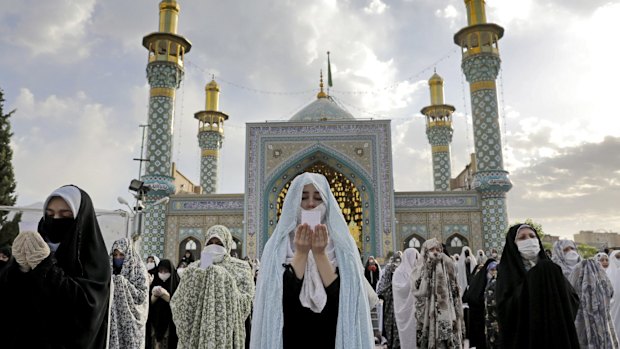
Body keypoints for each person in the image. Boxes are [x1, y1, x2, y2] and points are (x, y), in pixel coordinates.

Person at [250, 172, 374, 349]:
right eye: (303, 197)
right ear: (292, 202)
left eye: (318, 198)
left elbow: (346, 302)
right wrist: (301, 253)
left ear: (327, 202)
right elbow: (277, 303)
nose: (310, 204)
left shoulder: (343, 247)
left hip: (331, 338)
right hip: (290, 338)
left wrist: (320, 254)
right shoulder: (276, 247)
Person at [0, 185, 111, 348]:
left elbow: (86, 312)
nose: (56, 220)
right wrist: (19, 270)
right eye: (50, 214)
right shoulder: (35, 246)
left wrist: (46, 267)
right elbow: (10, 303)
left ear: (80, 219)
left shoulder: (92, 260)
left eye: (65, 215)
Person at [496, 223, 579, 349]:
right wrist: (533, 281)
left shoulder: (551, 269)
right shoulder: (508, 272)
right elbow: (505, 311)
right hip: (525, 339)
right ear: (513, 244)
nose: (529, 240)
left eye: (532, 236)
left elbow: (572, 300)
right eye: (522, 238)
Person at [170, 225, 255, 348]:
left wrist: (221, 280)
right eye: (210, 242)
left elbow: (246, 301)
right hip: (197, 332)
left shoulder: (240, 267)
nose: (213, 246)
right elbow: (179, 301)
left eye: (219, 243)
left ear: (227, 243)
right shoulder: (195, 268)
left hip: (226, 331)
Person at [412, 238, 464, 348]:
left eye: (437, 249)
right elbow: (417, 288)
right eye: (432, 249)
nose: (435, 252)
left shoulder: (447, 263)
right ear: (426, 251)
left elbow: (454, 286)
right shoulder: (421, 267)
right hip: (427, 308)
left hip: (447, 308)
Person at [569, 254, 618, 348]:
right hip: (604, 323)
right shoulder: (603, 275)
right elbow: (611, 292)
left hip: (580, 325)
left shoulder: (575, 273)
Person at [109, 238, 150, 349]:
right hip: (113, 320)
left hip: (132, 323)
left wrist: (121, 283)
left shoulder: (139, 269)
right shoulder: (109, 269)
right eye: (115, 254)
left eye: (122, 255)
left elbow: (142, 296)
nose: (117, 258)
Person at [462, 258, 497, 349]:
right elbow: (472, 297)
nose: (494, 272)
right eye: (492, 270)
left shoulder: (497, 283)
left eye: (496, 270)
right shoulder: (478, 282)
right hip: (479, 320)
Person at [392, 247, 421, 349]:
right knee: (407, 337)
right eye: (415, 257)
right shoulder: (399, 272)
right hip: (405, 310)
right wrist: (412, 280)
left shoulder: (417, 271)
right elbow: (399, 289)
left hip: (416, 309)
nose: (417, 260)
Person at [148, 259, 180, 349]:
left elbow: (179, 303)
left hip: (170, 323)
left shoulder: (177, 283)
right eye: (160, 271)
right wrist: (154, 296)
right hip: (154, 321)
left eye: (166, 271)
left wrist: (166, 295)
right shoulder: (154, 282)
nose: (163, 273)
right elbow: (147, 303)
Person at [377, 253, 401, 349]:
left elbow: (382, 287)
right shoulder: (396, 268)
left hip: (392, 301)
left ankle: (391, 342)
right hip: (395, 301)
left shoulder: (389, 268)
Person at [483, 261, 500, 349]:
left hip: (490, 323)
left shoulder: (491, 283)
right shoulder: (495, 284)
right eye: (491, 270)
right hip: (494, 323)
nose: (493, 272)